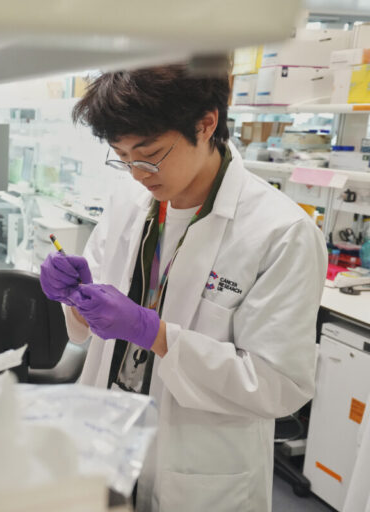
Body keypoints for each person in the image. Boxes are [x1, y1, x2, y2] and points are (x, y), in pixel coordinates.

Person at [40, 64, 327, 512]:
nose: (137, 172)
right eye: (122, 155)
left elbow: (276, 385)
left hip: (199, 470)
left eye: (149, 153)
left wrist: (154, 334)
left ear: (206, 123)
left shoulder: (281, 232)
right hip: (110, 434)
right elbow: (88, 327)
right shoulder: (130, 203)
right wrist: (74, 296)